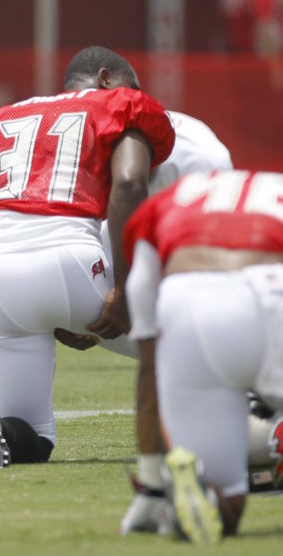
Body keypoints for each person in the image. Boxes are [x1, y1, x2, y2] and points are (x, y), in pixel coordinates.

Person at [0, 46, 175, 467]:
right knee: (193, 348)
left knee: (29, 440)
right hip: (73, 260)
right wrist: (123, 288)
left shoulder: (5, 117)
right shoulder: (122, 105)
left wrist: (55, 310)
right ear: (108, 79)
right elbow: (130, 186)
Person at [120, 169, 283, 544]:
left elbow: (149, 368)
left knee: (223, 510)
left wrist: (149, 485)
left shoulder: (162, 203)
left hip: (189, 305)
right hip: (272, 285)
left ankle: (205, 493)